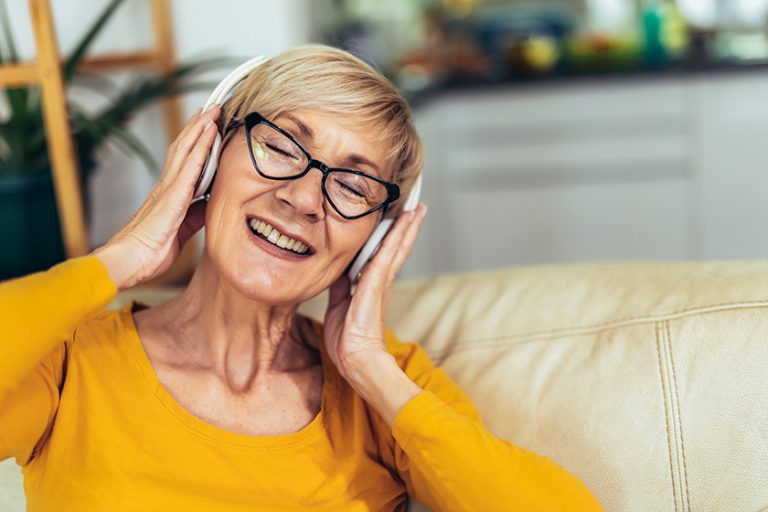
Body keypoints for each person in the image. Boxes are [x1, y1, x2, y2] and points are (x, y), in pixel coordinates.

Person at [0, 45, 602, 511]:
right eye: (284, 145)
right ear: (209, 159)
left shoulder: (386, 389)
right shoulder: (70, 361)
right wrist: (120, 259)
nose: (305, 198)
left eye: (353, 185)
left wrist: (370, 366)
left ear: (374, 238)